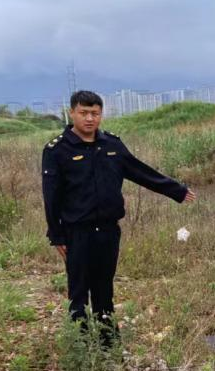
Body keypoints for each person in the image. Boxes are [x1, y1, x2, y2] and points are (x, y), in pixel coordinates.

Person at [41, 90, 195, 338]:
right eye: (83, 113)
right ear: (72, 113)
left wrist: (176, 190)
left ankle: (108, 343)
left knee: (104, 288)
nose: (89, 118)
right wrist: (56, 235)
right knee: (78, 292)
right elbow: (51, 196)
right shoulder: (57, 150)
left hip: (108, 231)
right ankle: (81, 345)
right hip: (77, 232)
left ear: (101, 114)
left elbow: (139, 171)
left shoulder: (111, 144)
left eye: (95, 113)